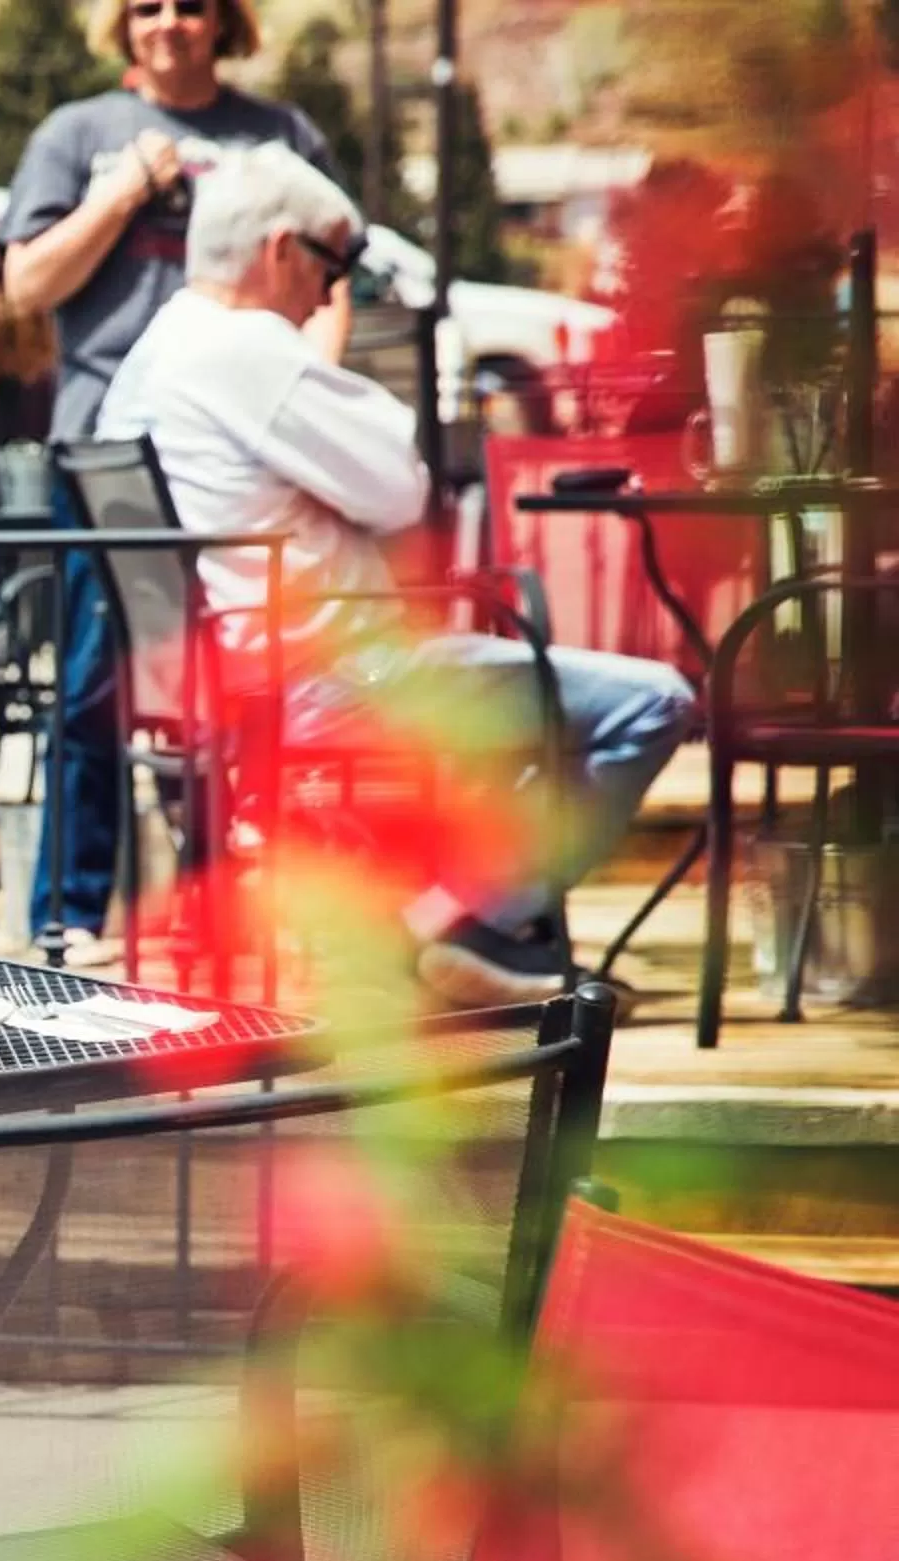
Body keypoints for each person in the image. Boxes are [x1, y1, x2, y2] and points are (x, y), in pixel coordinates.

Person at [95, 145, 694, 1008]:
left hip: (218, 682)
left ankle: (453, 925)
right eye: (333, 266)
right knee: (655, 700)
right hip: (329, 676)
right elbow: (402, 487)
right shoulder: (247, 351)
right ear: (280, 252)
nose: (332, 292)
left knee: (509, 693)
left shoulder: (157, 351)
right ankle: (467, 923)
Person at [0, 0, 343, 964]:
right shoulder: (78, 135)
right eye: (146, 6)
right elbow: (26, 286)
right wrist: (119, 195)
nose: (169, 23)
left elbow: (336, 273)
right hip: (108, 451)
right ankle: (67, 921)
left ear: (224, 22)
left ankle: (226, 912)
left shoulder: (279, 136)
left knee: (239, 679)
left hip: (242, 452)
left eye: (190, 5)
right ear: (122, 24)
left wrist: (305, 395)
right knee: (94, 686)